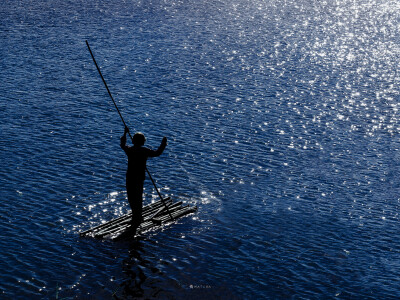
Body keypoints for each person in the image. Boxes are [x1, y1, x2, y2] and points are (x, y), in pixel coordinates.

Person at [120, 126, 167, 232]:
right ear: (143, 142)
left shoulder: (130, 150)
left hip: (130, 176)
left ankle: (136, 216)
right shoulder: (144, 151)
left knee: (131, 197)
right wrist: (163, 144)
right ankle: (137, 216)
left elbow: (122, 144)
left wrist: (125, 133)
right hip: (139, 177)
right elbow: (157, 153)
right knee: (138, 196)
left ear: (133, 141)